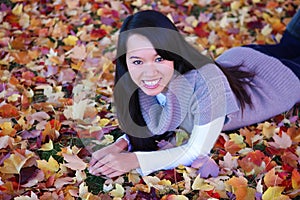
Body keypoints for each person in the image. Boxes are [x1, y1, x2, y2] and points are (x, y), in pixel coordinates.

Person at [88, 10, 300, 178]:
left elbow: (196, 150)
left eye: (159, 58)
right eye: (137, 61)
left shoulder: (206, 84)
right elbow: (163, 121)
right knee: (290, 45)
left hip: (280, 81)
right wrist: (119, 145)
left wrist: (135, 160)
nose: (149, 71)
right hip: (244, 59)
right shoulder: (138, 88)